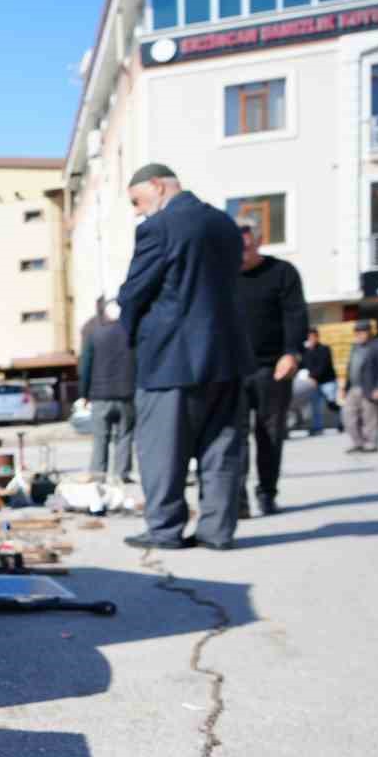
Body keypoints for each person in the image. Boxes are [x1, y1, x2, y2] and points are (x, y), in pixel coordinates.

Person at [115, 163, 251, 551]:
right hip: (226, 357)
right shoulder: (225, 225)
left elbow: (134, 293)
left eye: (137, 200)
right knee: (221, 448)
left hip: (170, 360)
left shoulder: (158, 228)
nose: (138, 210)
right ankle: (217, 531)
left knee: (162, 451)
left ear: (157, 186)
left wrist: (133, 333)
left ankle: (164, 529)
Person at [234, 216, 308, 516]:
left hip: (271, 367)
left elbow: (295, 315)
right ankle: (237, 500)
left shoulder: (282, 273)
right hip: (232, 370)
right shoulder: (220, 277)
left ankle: (267, 493)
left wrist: (291, 352)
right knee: (233, 437)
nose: (240, 254)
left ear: (259, 242)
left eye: (246, 247)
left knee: (270, 434)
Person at [78, 298, 136, 482]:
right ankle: (122, 474)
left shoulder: (95, 335)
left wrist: (84, 393)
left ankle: (98, 474)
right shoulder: (131, 333)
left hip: (100, 396)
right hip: (126, 394)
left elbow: (85, 366)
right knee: (125, 436)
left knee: (100, 438)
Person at [342, 320, 378, 454]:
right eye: (357, 332)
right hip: (353, 387)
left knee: (370, 417)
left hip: (369, 387)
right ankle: (357, 442)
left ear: (369, 332)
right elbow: (350, 366)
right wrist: (344, 387)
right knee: (348, 416)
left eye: (362, 331)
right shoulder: (355, 347)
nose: (359, 334)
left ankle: (371, 443)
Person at [301, 328, 336, 436]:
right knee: (316, 406)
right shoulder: (306, 351)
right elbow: (304, 366)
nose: (311, 339)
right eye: (309, 337)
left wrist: (313, 377)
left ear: (317, 337)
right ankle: (317, 427)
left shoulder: (324, 349)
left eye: (313, 337)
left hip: (327, 381)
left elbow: (323, 365)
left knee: (332, 404)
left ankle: (341, 424)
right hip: (313, 383)